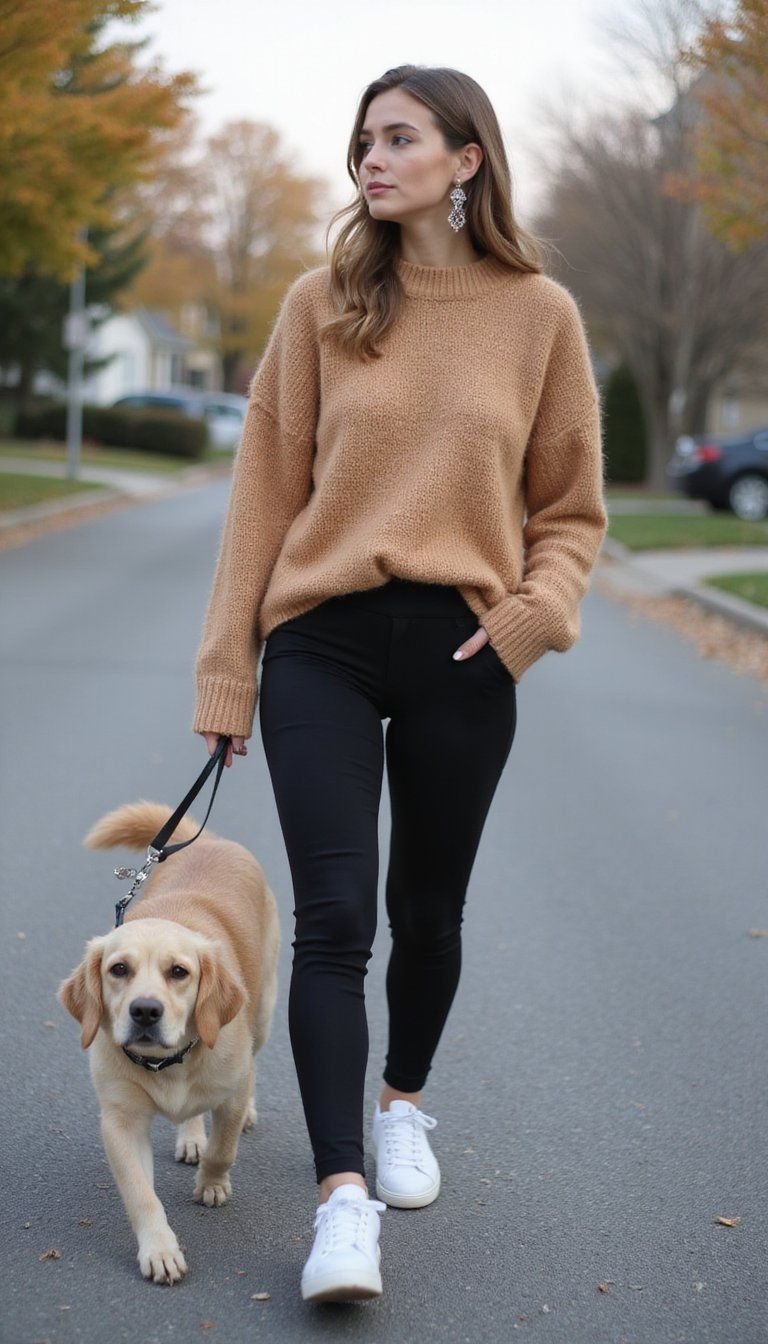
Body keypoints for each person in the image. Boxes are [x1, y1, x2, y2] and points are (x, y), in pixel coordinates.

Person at [192, 63, 607, 1304]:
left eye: (399, 138)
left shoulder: (541, 315)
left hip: (461, 650)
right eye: (363, 140)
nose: (370, 159)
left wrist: (538, 614)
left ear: (466, 157)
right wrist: (228, 668)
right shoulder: (322, 302)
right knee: (333, 924)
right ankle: (339, 1205)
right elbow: (261, 493)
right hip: (319, 638)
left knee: (428, 912)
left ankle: (403, 1104)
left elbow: (570, 506)